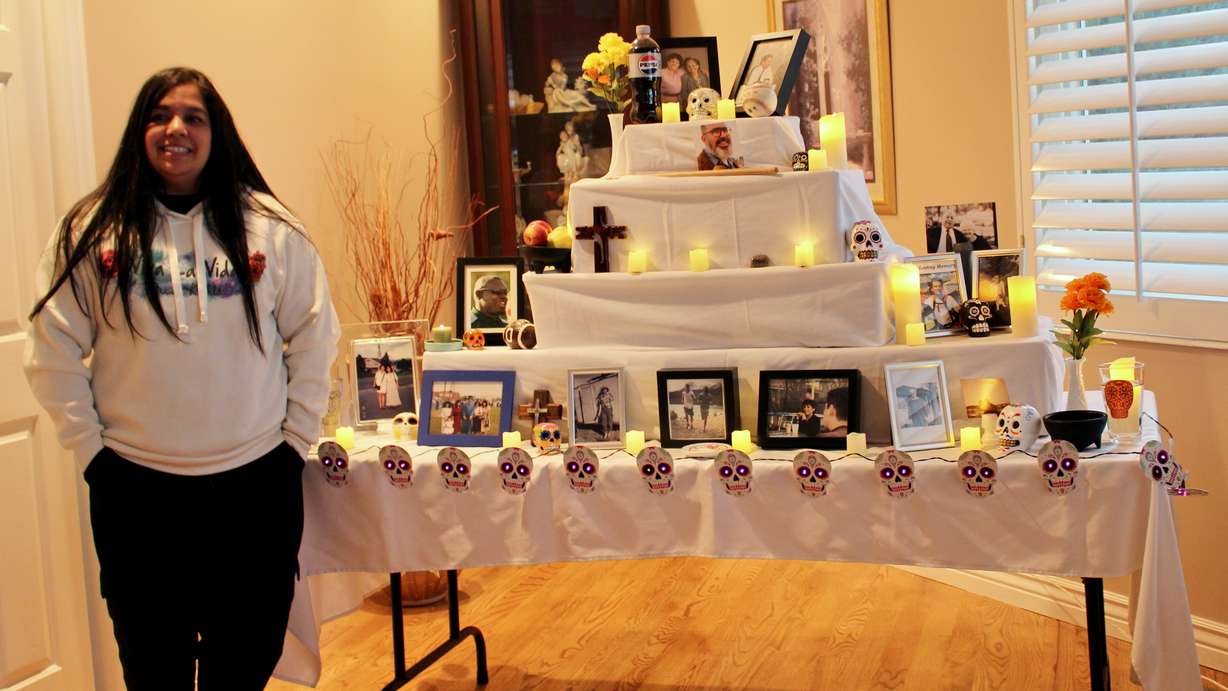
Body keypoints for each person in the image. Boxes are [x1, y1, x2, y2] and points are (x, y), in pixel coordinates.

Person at [23, 67, 339, 689]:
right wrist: (92, 453)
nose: (176, 129)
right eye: (160, 115)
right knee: (153, 671)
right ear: (140, 132)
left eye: (193, 117)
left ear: (215, 131)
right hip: (136, 493)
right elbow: (52, 347)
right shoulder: (93, 231)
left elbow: (313, 338)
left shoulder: (272, 230)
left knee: (242, 667)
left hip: (255, 489)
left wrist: (292, 446)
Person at [926, 212, 990, 253]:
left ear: (954, 221)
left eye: (952, 218)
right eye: (947, 217)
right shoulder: (931, 232)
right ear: (942, 219)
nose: (949, 219)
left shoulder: (959, 235)